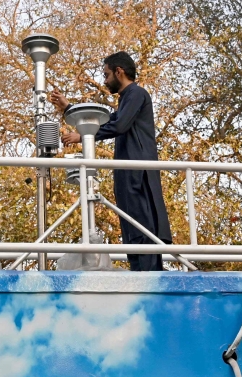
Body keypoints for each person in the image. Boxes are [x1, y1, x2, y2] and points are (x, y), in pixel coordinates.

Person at [50, 52, 172, 271]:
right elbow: (105, 120)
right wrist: (68, 108)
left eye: (106, 75)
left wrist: (82, 137)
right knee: (131, 228)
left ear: (119, 71)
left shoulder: (136, 94)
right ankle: (140, 273)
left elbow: (118, 125)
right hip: (127, 174)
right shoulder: (127, 99)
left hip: (139, 173)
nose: (105, 81)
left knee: (143, 228)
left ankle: (149, 276)